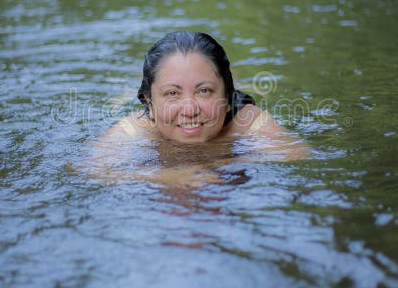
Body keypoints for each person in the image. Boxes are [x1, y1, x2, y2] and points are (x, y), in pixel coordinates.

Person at [89, 31, 309, 187]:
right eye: (172, 94)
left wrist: (221, 166)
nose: (189, 109)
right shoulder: (138, 128)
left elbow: (300, 156)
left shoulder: (246, 121)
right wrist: (164, 177)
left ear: (226, 96)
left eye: (204, 91)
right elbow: (89, 171)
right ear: (149, 104)